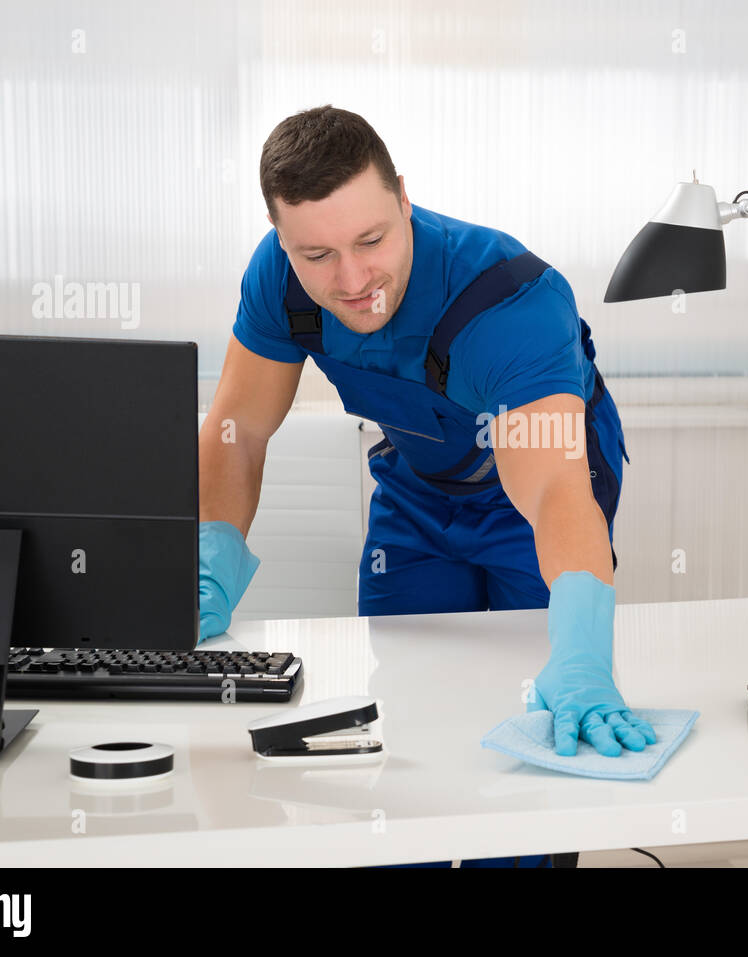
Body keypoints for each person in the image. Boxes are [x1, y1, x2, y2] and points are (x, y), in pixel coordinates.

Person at [197, 105, 655, 867]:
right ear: (282, 239)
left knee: (528, 719)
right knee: (409, 710)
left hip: (533, 495)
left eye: (372, 240)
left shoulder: (509, 300)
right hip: (416, 486)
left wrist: (582, 657)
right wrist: (210, 556)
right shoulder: (277, 281)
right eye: (317, 254)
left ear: (403, 198)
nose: (352, 280)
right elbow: (235, 432)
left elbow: (551, 494)